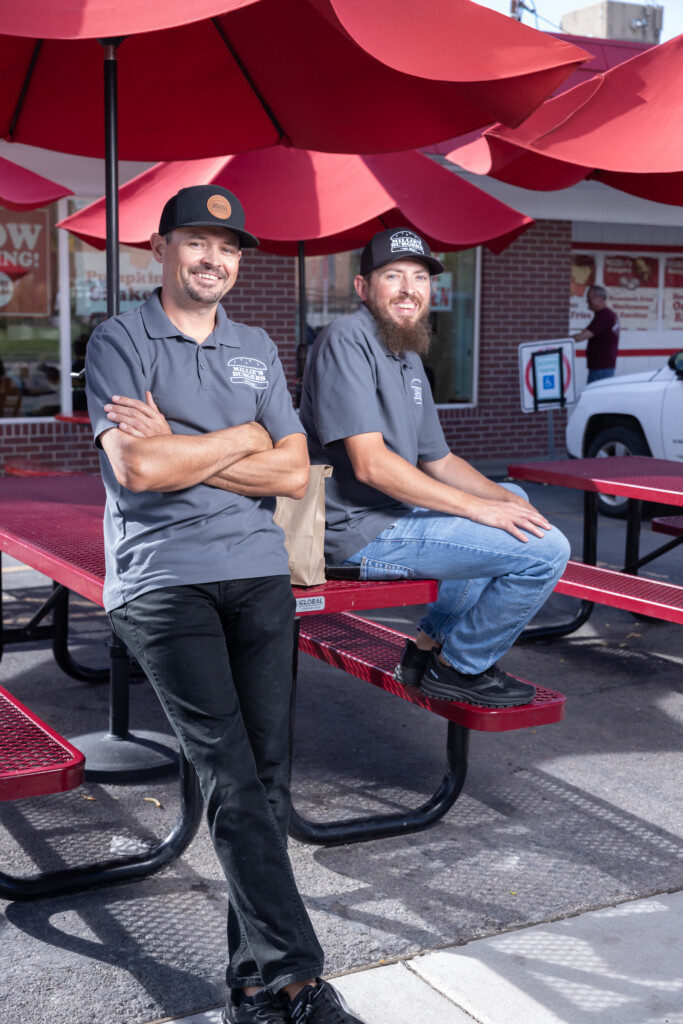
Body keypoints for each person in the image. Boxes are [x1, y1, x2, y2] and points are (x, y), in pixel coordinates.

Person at [85, 185, 367, 1024]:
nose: (215, 260)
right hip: (161, 580)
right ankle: (299, 979)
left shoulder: (254, 347)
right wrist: (244, 438)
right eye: (198, 243)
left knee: (269, 780)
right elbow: (135, 472)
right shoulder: (118, 340)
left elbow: (292, 472)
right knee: (231, 777)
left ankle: (254, 984)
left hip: (257, 572)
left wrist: (186, 444)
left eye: (230, 248)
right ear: (161, 248)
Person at [299, 227, 570, 707]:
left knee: (518, 502)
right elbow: (371, 465)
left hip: (395, 516)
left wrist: (500, 501)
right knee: (546, 551)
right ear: (363, 288)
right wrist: (474, 509)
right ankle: (462, 667)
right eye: (394, 275)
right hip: (355, 531)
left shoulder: (407, 354)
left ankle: (425, 650)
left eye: (420, 277)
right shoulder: (346, 340)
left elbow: (439, 460)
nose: (409, 288)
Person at [572, 285, 620, 384]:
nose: (587, 301)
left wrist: (563, 341)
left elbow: (583, 336)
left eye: (589, 298)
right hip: (602, 367)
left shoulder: (604, 316)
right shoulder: (605, 315)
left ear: (600, 298)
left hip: (601, 369)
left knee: (596, 397)